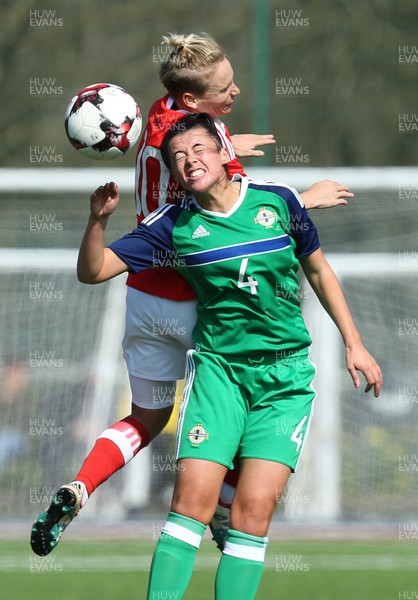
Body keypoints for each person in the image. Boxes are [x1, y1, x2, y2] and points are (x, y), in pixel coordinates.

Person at [30, 33, 353, 557]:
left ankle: (81, 486)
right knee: (252, 409)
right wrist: (306, 199)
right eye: (223, 89)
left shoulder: (158, 119)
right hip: (199, 302)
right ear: (190, 104)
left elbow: (181, 137)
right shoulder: (206, 165)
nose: (234, 92)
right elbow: (247, 217)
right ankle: (225, 507)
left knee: (147, 416)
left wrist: (226, 136)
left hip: (143, 296)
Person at [74, 113, 382, 599]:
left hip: (284, 382)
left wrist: (354, 342)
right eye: (177, 158)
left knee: (252, 513)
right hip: (220, 375)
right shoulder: (172, 225)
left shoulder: (278, 201)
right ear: (175, 176)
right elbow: (93, 272)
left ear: (221, 150)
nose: (188, 160)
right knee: (191, 505)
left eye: (197, 149)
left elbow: (319, 272)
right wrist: (98, 219)